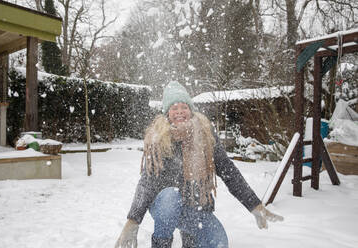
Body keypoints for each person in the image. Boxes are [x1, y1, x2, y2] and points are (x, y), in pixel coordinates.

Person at [114, 81, 283, 248]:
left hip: (193, 206)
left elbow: (228, 171)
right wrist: (133, 220)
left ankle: (190, 240)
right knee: (171, 196)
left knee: (219, 243)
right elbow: (146, 182)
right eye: (174, 108)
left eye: (184, 107)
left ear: (190, 110)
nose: (180, 111)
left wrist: (254, 205)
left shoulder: (205, 135)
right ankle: (161, 243)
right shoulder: (159, 139)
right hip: (164, 205)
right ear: (167, 113)